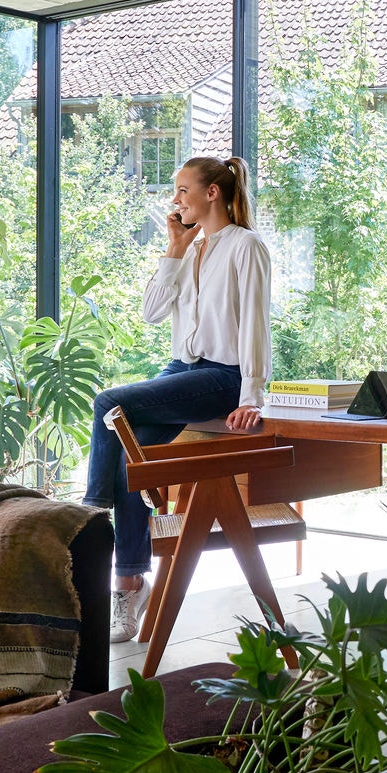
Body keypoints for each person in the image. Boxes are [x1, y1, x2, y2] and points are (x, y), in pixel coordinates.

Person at [83, 156, 271, 642]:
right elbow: (150, 313)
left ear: (212, 193)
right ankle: (129, 580)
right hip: (181, 371)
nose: (176, 199)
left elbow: (254, 323)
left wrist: (252, 394)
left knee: (109, 402)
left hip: (221, 377)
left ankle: (86, 515)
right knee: (131, 460)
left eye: (183, 189)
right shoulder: (190, 248)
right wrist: (173, 248)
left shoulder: (245, 246)